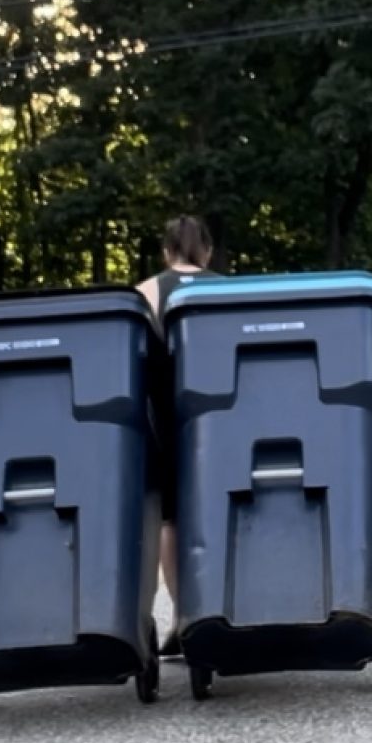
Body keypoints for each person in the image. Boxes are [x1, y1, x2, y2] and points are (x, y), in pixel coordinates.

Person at [136, 214, 220, 657]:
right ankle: (222, 608)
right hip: (222, 414)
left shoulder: (148, 292)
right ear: (206, 250)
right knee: (221, 507)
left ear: (166, 251)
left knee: (169, 519)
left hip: (166, 415)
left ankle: (183, 616)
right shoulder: (225, 289)